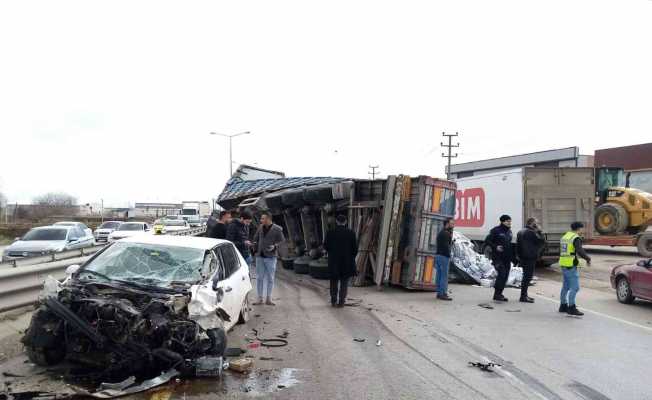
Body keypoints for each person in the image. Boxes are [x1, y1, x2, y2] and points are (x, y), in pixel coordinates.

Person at [324, 214, 358, 308]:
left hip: (334, 261)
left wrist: (331, 253)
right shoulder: (351, 233)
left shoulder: (330, 232)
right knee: (344, 282)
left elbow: (326, 246)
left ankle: (333, 301)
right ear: (346, 222)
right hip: (346, 262)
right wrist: (350, 257)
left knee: (333, 281)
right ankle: (341, 302)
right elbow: (355, 249)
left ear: (336, 221)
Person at [559, 221, 591, 316]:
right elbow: (579, 250)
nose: (583, 230)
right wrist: (587, 258)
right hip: (570, 265)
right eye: (582, 228)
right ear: (579, 228)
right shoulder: (575, 238)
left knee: (565, 286)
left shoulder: (565, 236)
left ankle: (563, 305)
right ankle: (571, 307)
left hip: (563, 263)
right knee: (575, 287)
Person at [253, 211, 285, 306]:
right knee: (259, 278)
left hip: (271, 257)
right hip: (260, 256)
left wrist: (275, 246)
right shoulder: (260, 227)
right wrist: (254, 246)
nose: (261, 220)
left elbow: (282, 241)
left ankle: (269, 298)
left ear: (268, 219)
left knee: (270, 278)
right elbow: (255, 238)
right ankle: (259, 298)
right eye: (261, 218)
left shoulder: (277, 229)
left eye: (263, 218)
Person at [486, 214, 517, 302]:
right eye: (507, 221)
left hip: (507, 258)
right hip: (497, 258)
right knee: (502, 274)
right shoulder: (496, 230)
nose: (509, 223)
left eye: (510, 221)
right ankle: (496, 294)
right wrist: (495, 247)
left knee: (505, 276)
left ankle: (500, 293)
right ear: (502, 222)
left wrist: (514, 258)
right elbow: (487, 241)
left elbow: (509, 245)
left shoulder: (509, 232)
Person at [516, 217, 546, 303]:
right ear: (533, 224)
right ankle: (523, 296)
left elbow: (518, 246)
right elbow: (542, 241)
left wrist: (518, 256)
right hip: (530, 257)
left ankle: (524, 295)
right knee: (527, 277)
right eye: (536, 223)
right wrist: (539, 231)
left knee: (526, 277)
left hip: (523, 257)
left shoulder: (521, 231)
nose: (538, 224)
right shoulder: (531, 233)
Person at [435, 219, 454, 301]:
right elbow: (446, 246)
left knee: (439, 274)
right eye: (451, 224)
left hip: (438, 255)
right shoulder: (446, 234)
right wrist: (449, 255)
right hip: (444, 256)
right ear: (447, 224)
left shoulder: (441, 233)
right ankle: (442, 293)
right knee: (444, 276)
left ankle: (439, 292)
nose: (453, 225)